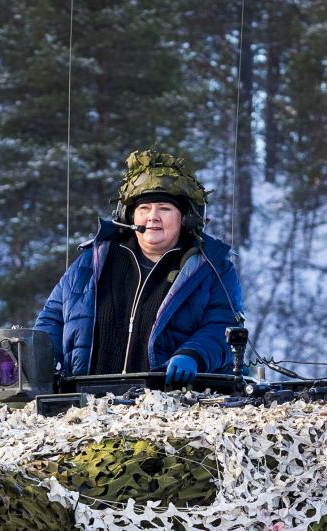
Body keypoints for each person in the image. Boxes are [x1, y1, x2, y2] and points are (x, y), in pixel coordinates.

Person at [34, 150, 243, 387]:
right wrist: (42, 360)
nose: (153, 217)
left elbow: (223, 325)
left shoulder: (212, 268)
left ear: (184, 218)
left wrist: (193, 354)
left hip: (172, 401)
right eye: (144, 208)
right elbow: (51, 318)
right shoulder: (92, 261)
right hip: (87, 400)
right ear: (129, 215)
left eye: (164, 208)